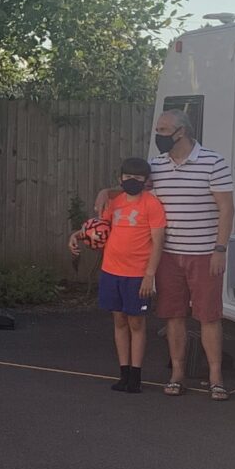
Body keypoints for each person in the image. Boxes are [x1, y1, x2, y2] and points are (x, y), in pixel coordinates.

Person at [144, 110, 234, 400]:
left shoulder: (213, 161)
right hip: (168, 254)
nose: (158, 134)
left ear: (181, 132)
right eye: (157, 128)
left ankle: (216, 378)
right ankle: (177, 374)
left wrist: (220, 248)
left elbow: (226, 208)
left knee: (208, 316)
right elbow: (134, 193)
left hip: (204, 253)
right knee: (173, 315)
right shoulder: (155, 165)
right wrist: (104, 193)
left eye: (162, 129)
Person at [69, 157, 165, 393]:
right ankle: (123, 373)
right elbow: (99, 229)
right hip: (112, 271)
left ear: (146, 180)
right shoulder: (115, 203)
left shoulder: (151, 205)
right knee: (119, 321)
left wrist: (149, 275)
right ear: (120, 178)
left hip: (137, 275)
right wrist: (76, 236)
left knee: (137, 323)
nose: (132, 181)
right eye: (128, 177)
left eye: (138, 178)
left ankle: (136, 375)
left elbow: (158, 242)